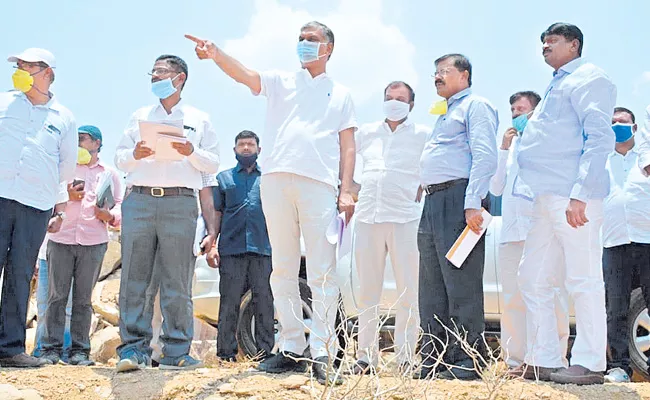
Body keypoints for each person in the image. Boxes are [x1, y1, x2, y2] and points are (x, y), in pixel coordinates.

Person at [186, 21, 357, 385]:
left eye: (312, 40)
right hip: (276, 182)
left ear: (329, 48)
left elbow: (348, 145)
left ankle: (324, 351)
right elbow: (245, 75)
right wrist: (216, 55)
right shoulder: (281, 81)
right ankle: (292, 346)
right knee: (281, 270)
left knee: (322, 272)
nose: (304, 44)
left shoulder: (341, 93)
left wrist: (345, 189)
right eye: (300, 39)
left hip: (319, 184)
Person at [513, 23, 616, 385]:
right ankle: (543, 357)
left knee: (583, 278)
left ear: (574, 45)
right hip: (544, 198)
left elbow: (599, 136)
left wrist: (581, 194)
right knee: (533, 276)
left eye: (553, 41)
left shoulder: (589, 78)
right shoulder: (556, 83)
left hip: (573, 196)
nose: (545, 46)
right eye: (543, 41)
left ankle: (589, 363)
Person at [114, 54, 220, 372]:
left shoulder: (199, 119)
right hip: (140, 202)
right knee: (135, 279)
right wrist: (134, 153)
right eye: (153, 72)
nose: (155, 77)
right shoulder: (139, 116)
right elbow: (120, 159)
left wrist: (192, 151)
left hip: (179, 203)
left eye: (162, 72)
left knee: (177, 280)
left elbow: (212, 165)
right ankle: (133, 351)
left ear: (180, 77)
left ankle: (176, 352)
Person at [417, 54, 498, 380]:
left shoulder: (475, 105)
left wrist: (472, 201)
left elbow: (485, 155)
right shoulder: (444, 111)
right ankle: (434, 359)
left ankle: (468, 360)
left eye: (444, 71)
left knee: (460, 283)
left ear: (464, 75)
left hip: (458, 199)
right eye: (435, 72)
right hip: (434, 201)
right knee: (431, 285)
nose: (437, 77)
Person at [0, 48, 77, 368]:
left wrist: (57, 207)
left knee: (19, 275)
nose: (18, 70)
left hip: (36, 205)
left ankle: (9, 349)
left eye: (26, 66)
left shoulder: (64, 117)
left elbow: (66, 167)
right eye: (17, 66)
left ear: (46, 72)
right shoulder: (3, 102)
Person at [352, 81, 429, 374]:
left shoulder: (423, 134)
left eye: (400, 98)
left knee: (409, 292)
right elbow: (342, 156)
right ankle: (365, 357)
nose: (393, 102)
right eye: (389, 97)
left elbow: (434, 166)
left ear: (411, 105)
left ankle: (406, 357)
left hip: (406, 218)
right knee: (367, 292)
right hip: (368, 216)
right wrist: (348, 185)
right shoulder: (367, 132)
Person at [489, 91, 569, 370]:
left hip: (542, 231)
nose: (516, 116)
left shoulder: (548, 144)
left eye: (522, 111)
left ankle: (555, 357)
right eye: (513, 111)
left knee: (550, 294)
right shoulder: (509, 150)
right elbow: (495, 188)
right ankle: (516, 360)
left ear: (536, 113)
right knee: (513, 299)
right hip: (511, 232)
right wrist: (502, 149)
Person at [40, 125, 123, 366]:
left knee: (83, 299)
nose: (77, 144)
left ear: (96, 143)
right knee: (56, 297)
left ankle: (79, 352)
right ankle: (50, 350)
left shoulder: (110, 173)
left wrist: (109, 216)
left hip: (93, 242)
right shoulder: (63, 170)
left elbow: (119, 205)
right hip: (61, 239)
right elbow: (46, 197)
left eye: (82, 139)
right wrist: (65, 195)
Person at [205, 130, 274, 362]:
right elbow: (217, 212)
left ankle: (265, 354)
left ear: (259, 150)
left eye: (251, 144)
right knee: (229, 302)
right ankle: (226, 355)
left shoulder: (269, 179)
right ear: (234, 150)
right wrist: (212, 243)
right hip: (231, 250)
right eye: (242, 144)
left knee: (263, 301)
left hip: (263, 249)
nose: (246, 148)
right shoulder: (223, 178)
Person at [601, 107, 650, 383]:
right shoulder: (600, 161)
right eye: (613, 122)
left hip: (647, 239)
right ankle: (619, 367)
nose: (617, 126)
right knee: (615, 309)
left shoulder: (645, 158)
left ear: (635, 127)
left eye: (623, 122)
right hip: (614, 242)